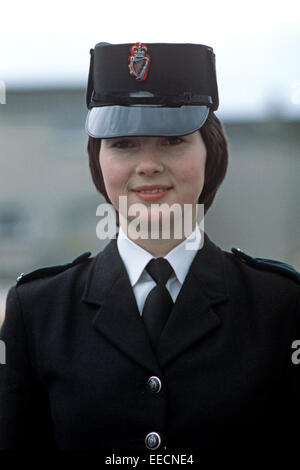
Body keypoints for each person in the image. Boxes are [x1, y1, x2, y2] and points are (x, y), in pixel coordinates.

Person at [0, 41, 299, 453]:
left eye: (173, 140)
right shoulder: (37, 310)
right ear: (97, 160)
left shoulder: (281, 304)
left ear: (211, 153)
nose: (148, 165)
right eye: (123, 144)